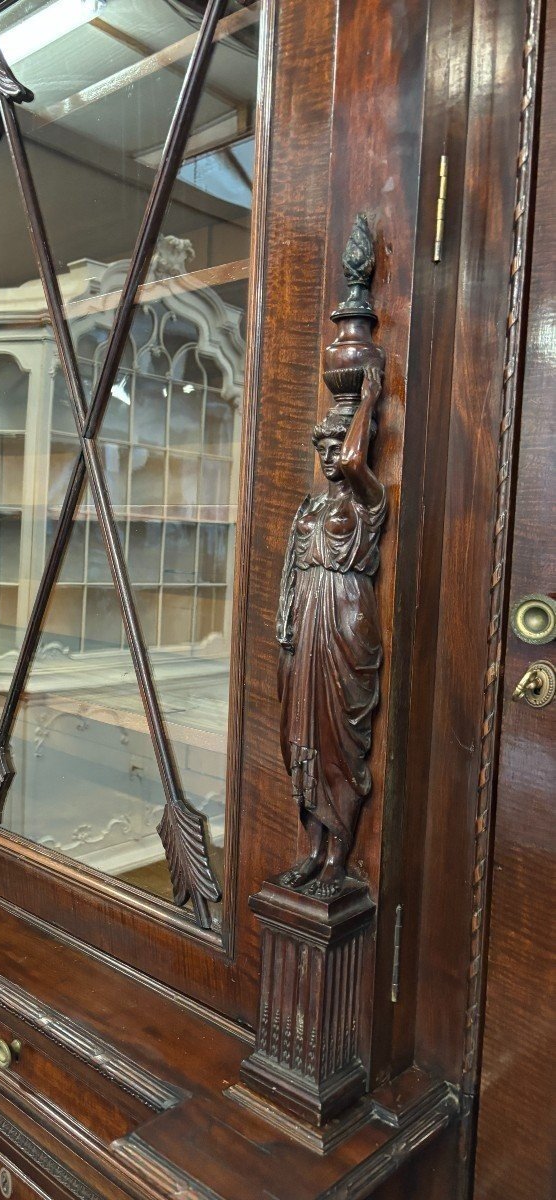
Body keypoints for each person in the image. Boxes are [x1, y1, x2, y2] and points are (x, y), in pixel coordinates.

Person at [276, 364, 386, 898]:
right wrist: (286, 630)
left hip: (344, 620)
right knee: (302, 738)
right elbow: (289, 573)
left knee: (339, 740)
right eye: (322, 444)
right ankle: (314, 849)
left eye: (337, 443)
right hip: (306, 621)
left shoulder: (367, 501)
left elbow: (351, 460)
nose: (329, 454)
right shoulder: (312, 504)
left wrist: (368, 400)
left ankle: (340, 857)